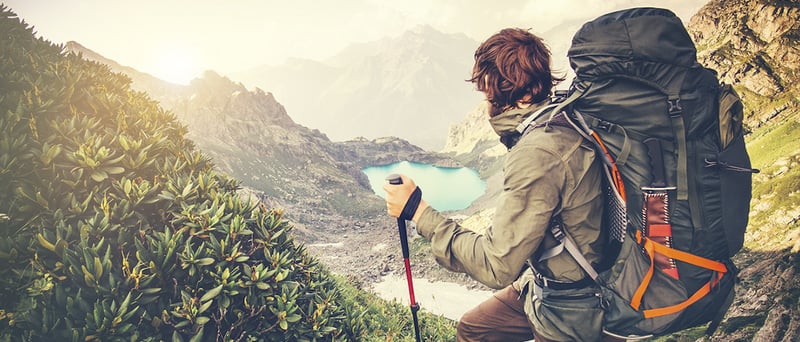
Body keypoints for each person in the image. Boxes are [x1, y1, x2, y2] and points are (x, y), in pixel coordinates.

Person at [384, 28, 620, 342]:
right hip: (545, 282)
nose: (488, 102)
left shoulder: (538, 153)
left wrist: (418, 211)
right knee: (474, 328)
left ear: (523, 93)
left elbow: (497, 265)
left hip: (571, 305)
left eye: (494, 91)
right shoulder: (558, 120)